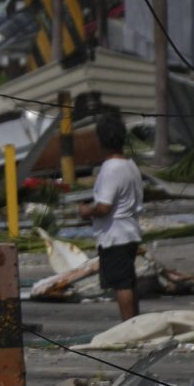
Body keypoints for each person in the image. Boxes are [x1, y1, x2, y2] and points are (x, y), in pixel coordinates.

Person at [78, 111, 144, 321]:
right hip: (130, 231)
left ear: (101, 140)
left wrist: (87, 211)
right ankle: (134, 321)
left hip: (115, 235)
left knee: (121, 284)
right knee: (128, 281)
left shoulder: (110, 169)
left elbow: (104, 207)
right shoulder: (130, 165)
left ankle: (128, 325)